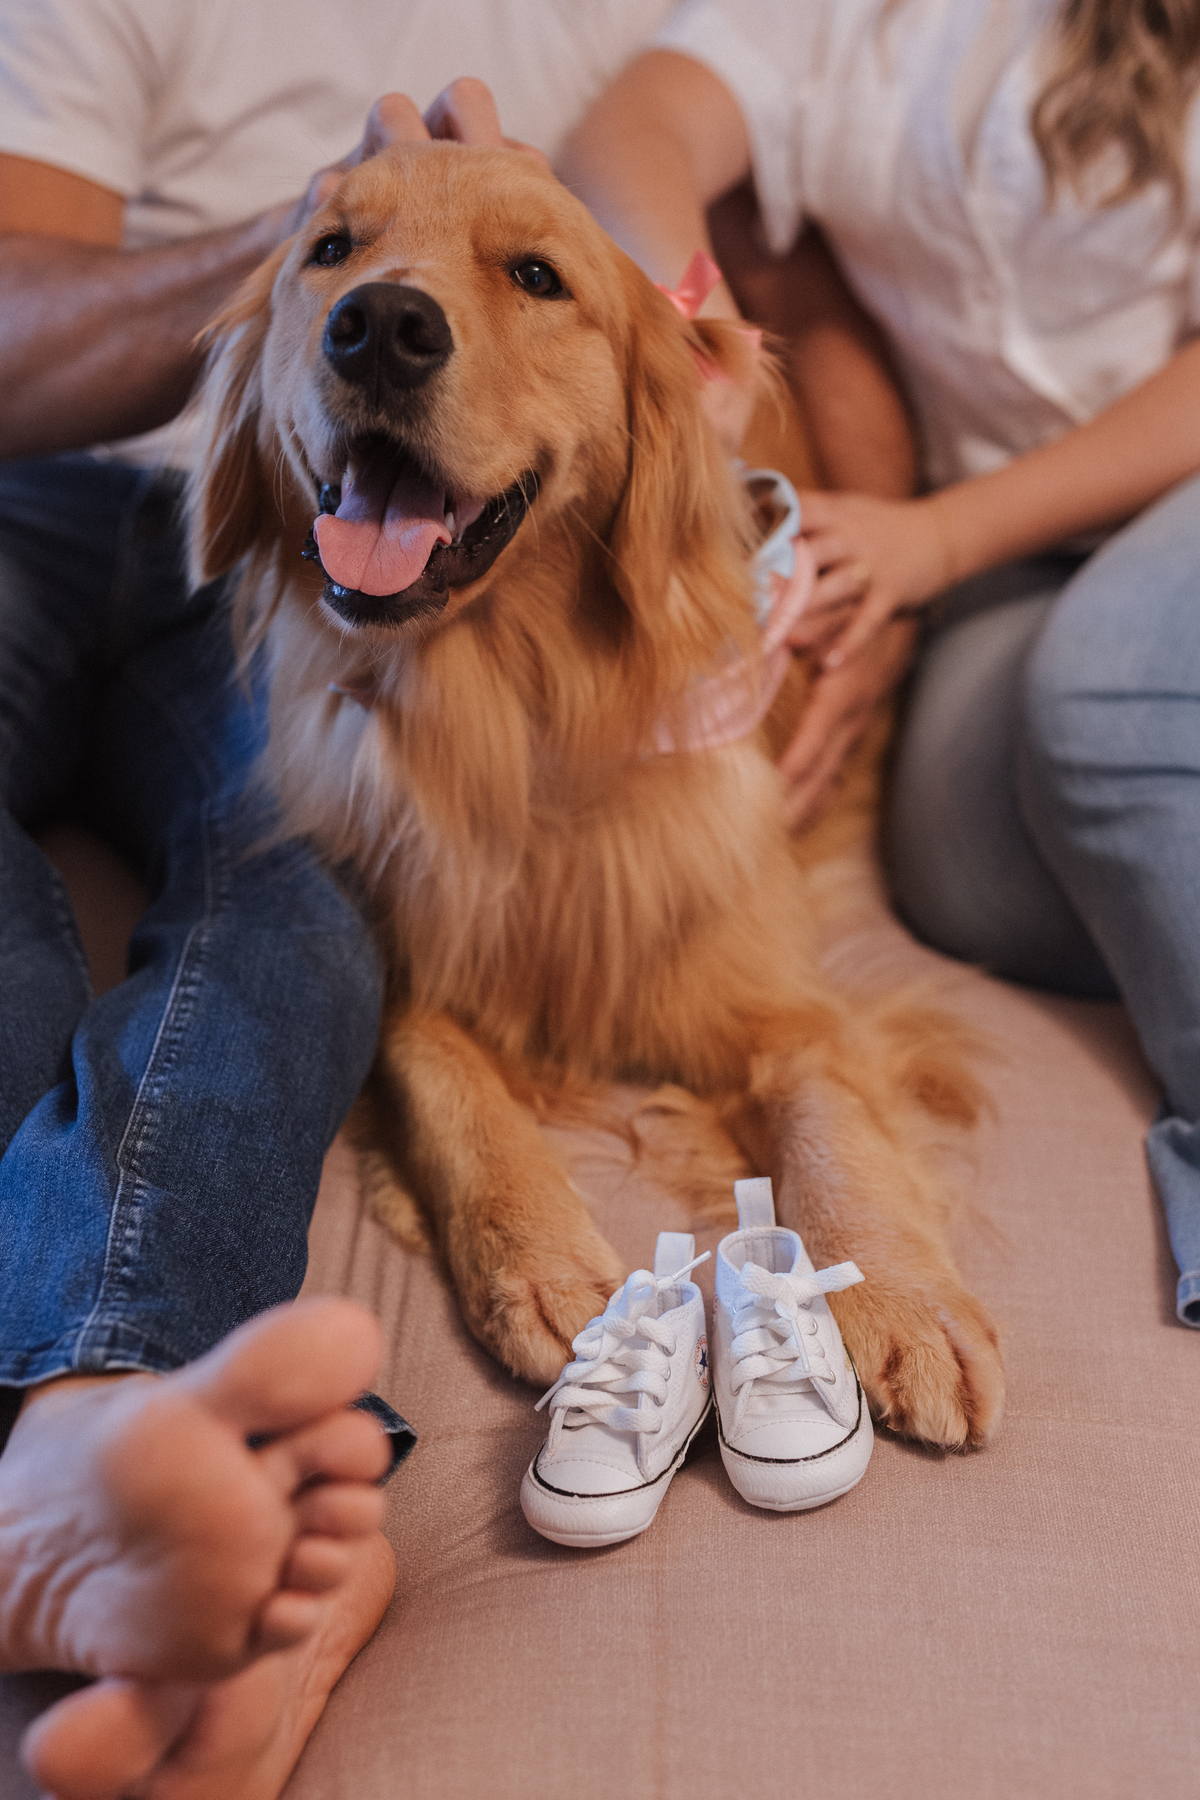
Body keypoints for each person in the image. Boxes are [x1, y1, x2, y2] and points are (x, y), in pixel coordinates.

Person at [0, 2, 712, 1793]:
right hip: (78, 494)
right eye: (357, 272)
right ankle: (117, 1473)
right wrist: (299, 236)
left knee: (307, 917)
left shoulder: (638, 35)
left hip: (279, 605)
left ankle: (107, 1436)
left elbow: (701, 338)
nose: (383, 303)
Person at [560, 0, 1200, 1329]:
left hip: (1134, 501)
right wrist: (692, 336)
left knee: (1099, 711)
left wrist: (939, 535)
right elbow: (637, 127)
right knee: (964, 870)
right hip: (1007, 568)